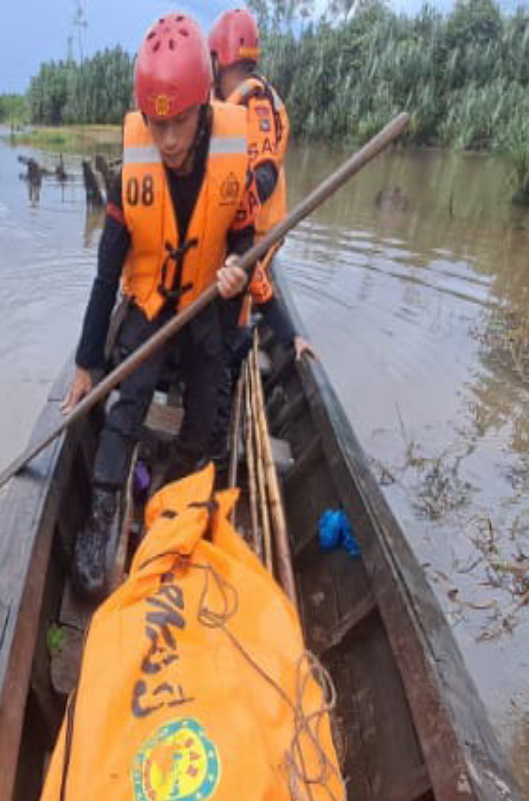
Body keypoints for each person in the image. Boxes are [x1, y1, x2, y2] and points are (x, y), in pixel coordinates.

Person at [61, 12, 259, 600]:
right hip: (148, 301)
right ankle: (100, 521)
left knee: (206, 420)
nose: (167, 139)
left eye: (179, 122)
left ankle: (170, 496)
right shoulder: (134, 175)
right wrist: (85, 360)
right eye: (155, 123)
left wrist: (238, 271)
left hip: (203, 301)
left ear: (203, 106)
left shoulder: (231, 158)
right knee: (127, 406)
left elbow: (247, 239)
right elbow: (104, 276)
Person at [206, 8, 313, 466]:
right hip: (237, 231)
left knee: (237, 316)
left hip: (257, 234)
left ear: (217, 57)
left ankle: (221, 418)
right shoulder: (234, 96)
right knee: (227, 304)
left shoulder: (254, 100)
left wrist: (236, 231)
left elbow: (263, 174)